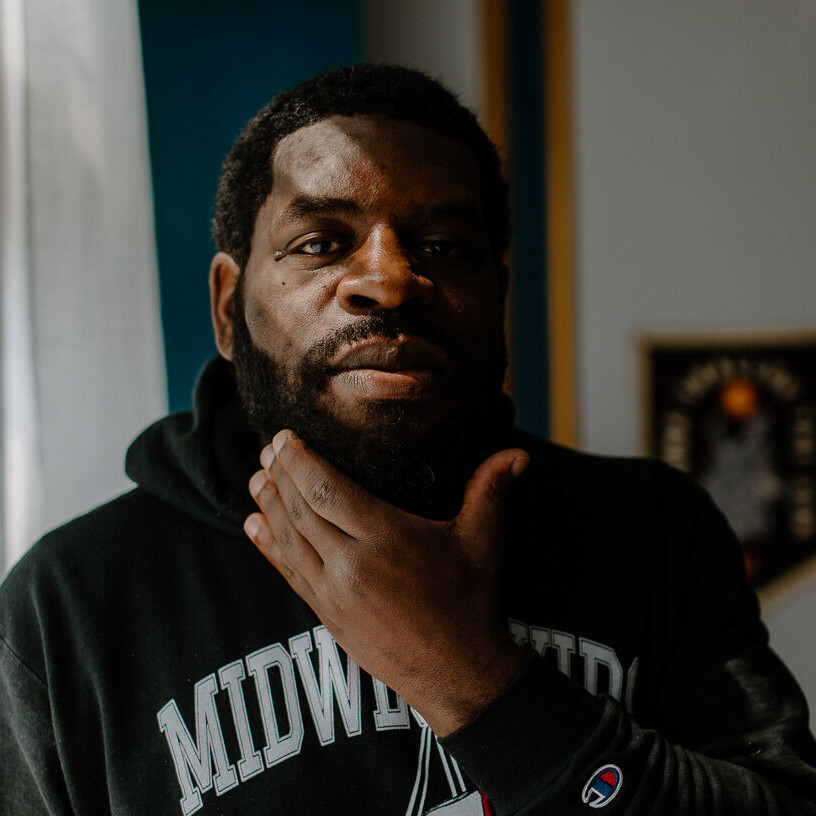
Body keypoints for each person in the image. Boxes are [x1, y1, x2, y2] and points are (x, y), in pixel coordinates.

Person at [1, 63, 815, 816]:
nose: (388, 281)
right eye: (320, 242)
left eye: (442, 247)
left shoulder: (650, 534)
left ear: (497, 297)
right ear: (227, 306)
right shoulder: (74, 601)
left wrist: (476, 680)